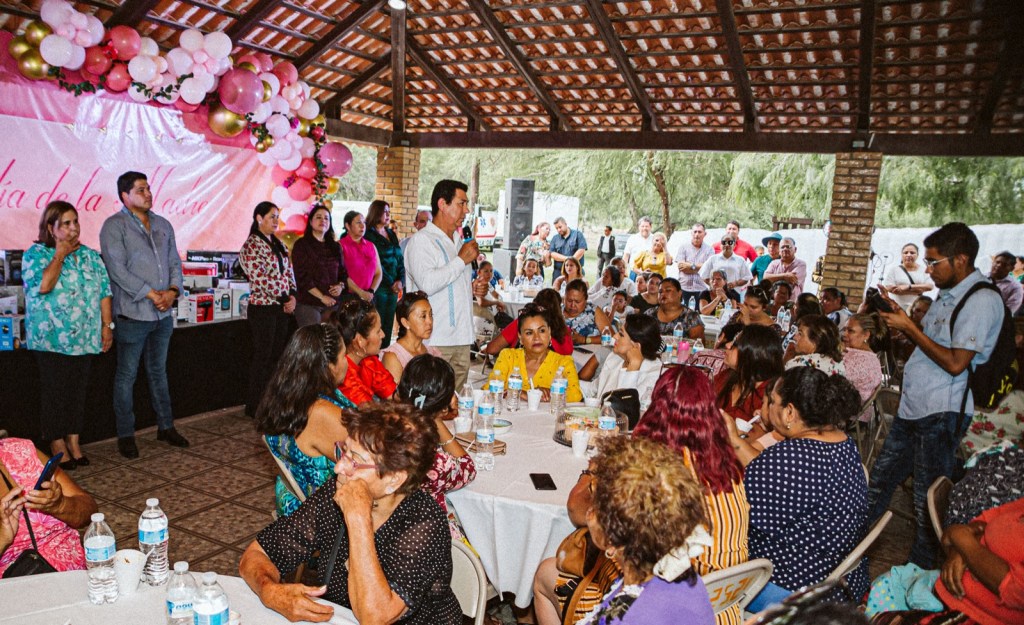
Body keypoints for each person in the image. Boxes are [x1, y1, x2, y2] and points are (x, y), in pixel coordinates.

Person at [239, 403, 461, 624]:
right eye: (342, 451)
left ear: (394, 479)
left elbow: (375, 617)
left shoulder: (424, 522)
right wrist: (270, 591)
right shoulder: (336, 491)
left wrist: (358, 518)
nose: (338, 468)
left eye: (355, 461)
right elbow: (257, 554)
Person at [868, 222, 1004, 569]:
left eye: (934, 262)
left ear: (960, 259)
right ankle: (853, 549)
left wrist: (910, 328)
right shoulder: (947, 295)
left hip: (941, 413)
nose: (927, 270)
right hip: (915, 409)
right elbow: (933, 349)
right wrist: (903, 326)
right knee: (879, 481)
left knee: (925, 501)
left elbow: (957, 363)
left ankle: (920, 575)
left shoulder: (981, 300)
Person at [738, 367, 869, 612]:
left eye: (773, 402)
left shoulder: (791, 458)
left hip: (795, 588)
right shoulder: (844, 442)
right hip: (839, 579)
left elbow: (737, 513)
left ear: (789, 412)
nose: (768, 409)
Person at [633, 366, 751, 625]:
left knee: (554, 575)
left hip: (673, 609)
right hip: (725, 606)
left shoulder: (664, 471)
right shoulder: (730, 466)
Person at [578, 436, 716, 625]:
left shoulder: (629, 618)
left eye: (595, 501)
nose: (589, 511)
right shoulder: (684, 579)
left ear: (612, 539)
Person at [100, 171, 189, 458]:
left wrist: (173, 291)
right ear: (125, 196)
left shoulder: (163, 224)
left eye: (148, 188)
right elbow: (117, 271)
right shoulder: (114, 227)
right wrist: (152, 294)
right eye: (140, 190)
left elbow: (175, 261)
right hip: (133, 314)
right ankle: (126, 434)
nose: (148, 193)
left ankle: (166, 426)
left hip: (162, 315)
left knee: (158, 372)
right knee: (126, 376)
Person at [23, 201, 113, 469]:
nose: (74, 228)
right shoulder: (35, 254)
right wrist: (59, 255)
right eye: (66, 223)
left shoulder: (89, 256)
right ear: (51, 228)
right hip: (51, 339)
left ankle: (74, 440)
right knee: (55, 392)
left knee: (77, 391)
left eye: (76, 222)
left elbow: (104, 292)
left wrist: (107, 327)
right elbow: (43, 285)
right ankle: (56, 441)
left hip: (84, 337)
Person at [869, 496, 1024, 625]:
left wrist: (963, 541)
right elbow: (985, 519)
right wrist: (962, 550)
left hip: (975, 616)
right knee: (873, 599)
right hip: (944, 595)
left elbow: (1015, 588)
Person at [256, 323, 354, 517]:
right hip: (324, 514)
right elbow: (364, 459)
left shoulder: (286, 395)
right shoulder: (320, 412)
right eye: (344, 356)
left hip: (293, 503)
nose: (347, 362)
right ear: (328, 366)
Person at [404, 179, 478, 388]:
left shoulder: (457, 241)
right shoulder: (421, 241)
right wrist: (461, 260)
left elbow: (452, 285)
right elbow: (427, 284)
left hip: (462, 337)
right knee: (433, 401)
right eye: (461, 203)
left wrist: (473, 287)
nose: (466, 210)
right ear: (442, 204)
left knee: (456, 407)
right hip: (436, 338)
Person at [395, 354, 476, 539]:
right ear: (444, 406)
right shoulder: (434, 462)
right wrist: (434, 419)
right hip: (422, 539)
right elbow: (467, 468)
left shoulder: (382, 429)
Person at [0, 437, 99, 576]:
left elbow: (90, 511)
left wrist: (60, 505)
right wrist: (2, 539)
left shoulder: (21, 451)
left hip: (74, 575)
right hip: (17, 587)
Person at [240, 202, 298, 419]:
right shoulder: (251, 246)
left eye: (277, 216)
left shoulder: (279, 243)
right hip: (263, 308)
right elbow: (260, 278)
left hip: (281, 309)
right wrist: (284, 298)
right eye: (272, 217)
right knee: (262, 357)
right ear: (258, 218)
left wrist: (292, 296)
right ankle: (255, 405)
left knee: (277, 357)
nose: (276, 221)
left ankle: (272, 403)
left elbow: (289, 272)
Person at [485, 303, 583, 402]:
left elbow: (575, 396)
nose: (536, 338)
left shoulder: (563, 363)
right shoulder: (508, 357)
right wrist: (524, 394)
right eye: (529, 333)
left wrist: (549, 393)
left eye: (542, 331)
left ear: (549, 333)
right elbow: (488, 389)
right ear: (520, 337)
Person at [716, 325, 784, 440]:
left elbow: (765, 441)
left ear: (754, 354)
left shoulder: (771, 395)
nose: (727, 345)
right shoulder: (726, 377)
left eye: (735, 345)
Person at [291, 204, 347, 327]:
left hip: (333, 304)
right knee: (314, 341)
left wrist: (340, 286)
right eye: (319, 217)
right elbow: (302, 277)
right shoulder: (302, 245)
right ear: (310, 222)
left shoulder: (335, 246)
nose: (323, 220)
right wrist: (322, 297)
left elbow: (343, 273)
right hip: (309, 304)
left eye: (326, 218)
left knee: (332, 342)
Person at [332, 299, 395, 405]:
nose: (383, 335)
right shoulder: (343, 374)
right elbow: (370, 415)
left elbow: (393, 395)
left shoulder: (368, 360)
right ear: (360, 340)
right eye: (378, 331)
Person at [594, 313, 662, 404]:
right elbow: (594, 388)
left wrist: (634, 366)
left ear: (636, 346)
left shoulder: (654, 374)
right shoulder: (616, 357)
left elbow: (623, 405)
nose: (615, 336)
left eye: (621, 335)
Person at [365, 200, 405, 347]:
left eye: (389, 211)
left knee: (388, 325)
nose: (388, 214)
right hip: (379, 287)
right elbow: (376, 264)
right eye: (385, 211)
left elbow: (399, 258)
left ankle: (384, 359)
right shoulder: (369, 235)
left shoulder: (391, 233)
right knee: (377, 325)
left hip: (394, 287)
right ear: (376, 212)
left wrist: (401, 280)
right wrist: (391, 282)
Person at [381, 291, 443, 384]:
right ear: (405, 322)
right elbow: (394, 397)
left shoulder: (432, 353)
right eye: (423, 316)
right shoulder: (393, 357)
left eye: (431, 315)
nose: (429, 321)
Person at [841, 313, 887, 406]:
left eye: (850, 331)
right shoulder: (870, 356)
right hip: (860, 413)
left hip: (850, 416)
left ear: (866, 335)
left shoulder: (858, 358)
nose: (844, 334)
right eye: (844, 329)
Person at [339, 210, 382, 305]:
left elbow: (379, 273)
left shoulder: (371, 246)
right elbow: (341, 275)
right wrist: (361, 292)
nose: (363, 226)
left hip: (370, 296)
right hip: (349, 297)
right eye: (358, 222)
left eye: (364, 223)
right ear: (347, 226)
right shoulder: (340, 245)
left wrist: (371, 291)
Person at [882, 243, 933, 311]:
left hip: (914, 310)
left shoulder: (923, 270)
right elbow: (889, 287)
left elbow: (930, 286)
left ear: (917, 255)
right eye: (905, 253)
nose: (908, 255)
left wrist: (908, 287)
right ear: (902, 255)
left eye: (912, 253)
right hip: (896, 308)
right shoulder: (895, 270)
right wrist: (917, 290)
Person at [564, 279, 614, 346]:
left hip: (590, 354)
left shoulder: (593, 311)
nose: (573, 305)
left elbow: (611, 337)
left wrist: (584, 340)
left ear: (585, 299)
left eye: (577, 302)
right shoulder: (557, 312)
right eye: (569, 300)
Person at [675, 222, 715, 304]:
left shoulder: (710, 250)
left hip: (701, 288)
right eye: (695, 231)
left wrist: (690, 266)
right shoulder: (683, 247)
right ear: (691, 233)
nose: (697, 234)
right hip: (683, 288)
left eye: (699, 232)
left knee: (699, 314)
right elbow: (682, 268)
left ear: (705, 234)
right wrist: (700, 268)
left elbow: (708, 269)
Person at [548, 217, 588, 281]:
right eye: (556, 228)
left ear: (565, 224)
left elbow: (581, 250)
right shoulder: (555, 238)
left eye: (560, 227)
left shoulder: (578, 235)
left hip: (575, 272)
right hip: (558, 272)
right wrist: (568, 259)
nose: (558, 230)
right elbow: (552, 254)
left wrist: (570, 263)